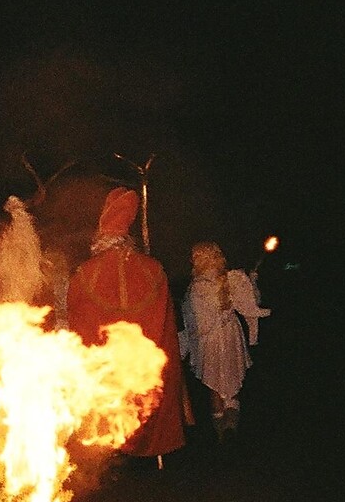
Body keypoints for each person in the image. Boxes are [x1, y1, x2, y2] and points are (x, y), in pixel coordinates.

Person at [65, 187, 189, 465]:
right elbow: (165, 321)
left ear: (101, 234)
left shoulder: (85, 273)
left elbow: (78, 321)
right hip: (146, 363)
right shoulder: (154, 268)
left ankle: (107, 455)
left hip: (106, 363)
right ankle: (154, 447)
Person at [180, 242, 270, 439]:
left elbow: (194, 323)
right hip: (230, 337)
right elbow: (251, 305)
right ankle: (232, 431)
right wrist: (252, 281)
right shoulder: (234, 279)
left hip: (210, 342)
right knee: (231, 385)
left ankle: (222, 434)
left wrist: (185, 344)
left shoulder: (196, 288)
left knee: (215, 386)